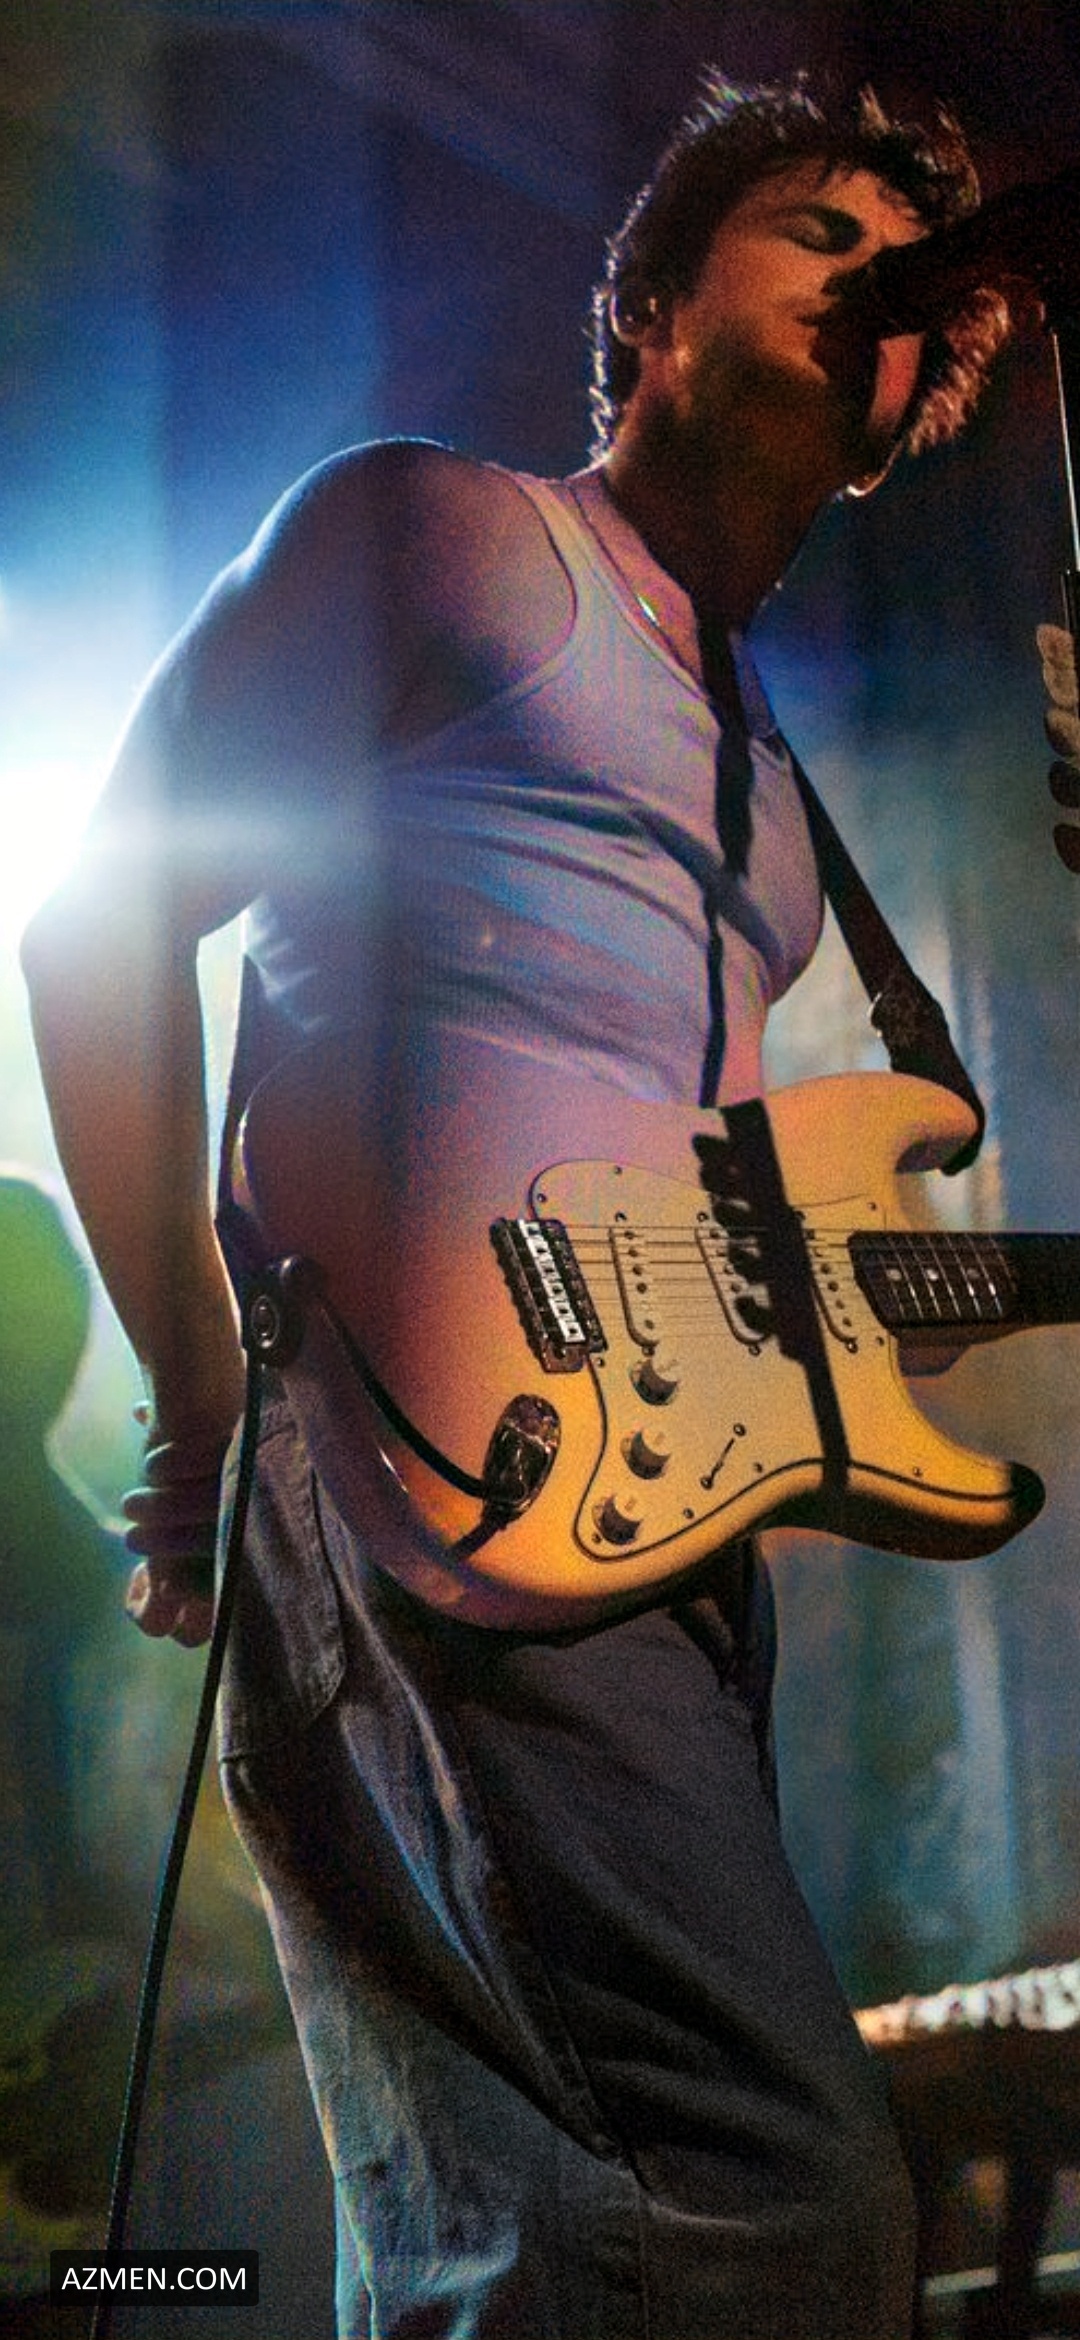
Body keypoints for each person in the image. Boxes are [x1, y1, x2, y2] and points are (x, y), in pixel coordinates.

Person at [21, 71, 1016, 2340]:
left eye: (909, 280)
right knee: (762, 2201)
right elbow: (99, 925)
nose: (876, 283)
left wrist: (846, 1341)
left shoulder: (780, 805)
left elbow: (682, 1223)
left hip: (629, 1515)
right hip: (413, 1453)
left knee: (524, 2231)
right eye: (820, 233)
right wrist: (198, 1388)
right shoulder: (449, 536)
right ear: (650, 307)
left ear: (903, 428)